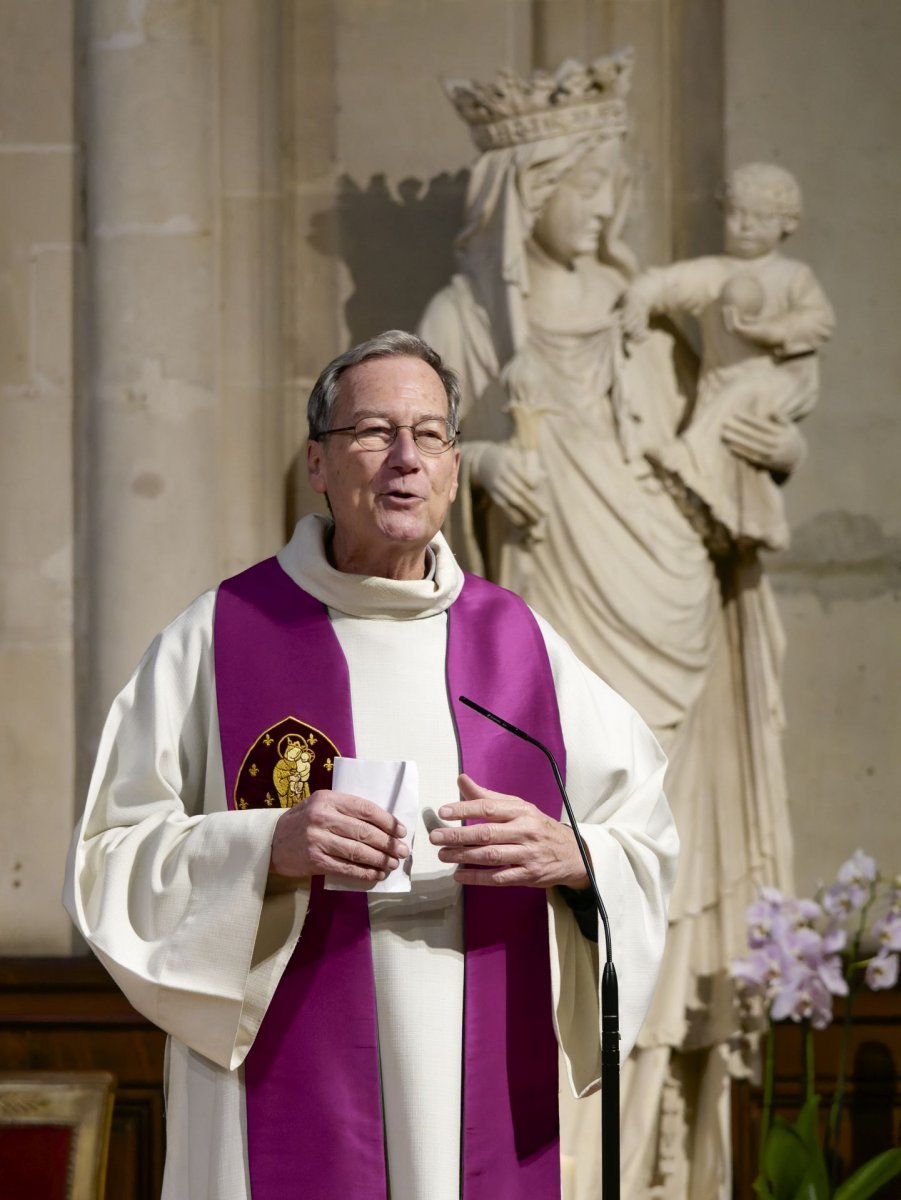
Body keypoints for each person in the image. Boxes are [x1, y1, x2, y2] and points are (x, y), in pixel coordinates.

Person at [64, 330, 678, 1200]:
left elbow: (642, 834)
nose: (404, 460)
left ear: (455, 467)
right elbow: (107, 858)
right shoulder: (222, 634)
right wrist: (266, 847)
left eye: (429, 436)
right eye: (371, 433)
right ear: (318, 463)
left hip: (475, 1051)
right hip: (277, 1060)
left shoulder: (521, 646)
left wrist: (574, 858)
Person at [419, 55, 802, 1200]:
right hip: (549, 606)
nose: (608, 204)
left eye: (613, 181)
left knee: (654, 877)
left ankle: (653, 1164)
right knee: (553, 885)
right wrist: (479, 457)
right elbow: (406, 460)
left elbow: (729, 426)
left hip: (664, 586)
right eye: (585, 181)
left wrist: (764, 446)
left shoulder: (647, 310)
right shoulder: (466, 313)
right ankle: (562, 1168)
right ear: (529, 191)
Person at [622, 162, 835, 552]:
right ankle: (754, 526)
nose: (746, 226)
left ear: (786, 223)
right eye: (737, 214)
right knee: (735, 464)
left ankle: (687, 457)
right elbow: (664, 282)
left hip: (782, 383)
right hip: (720, 386)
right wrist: (639, 298)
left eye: (761, 217)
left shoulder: (793, 276)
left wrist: (768, 331)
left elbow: (819, 323)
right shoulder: (714, 274)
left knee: (744, 400)